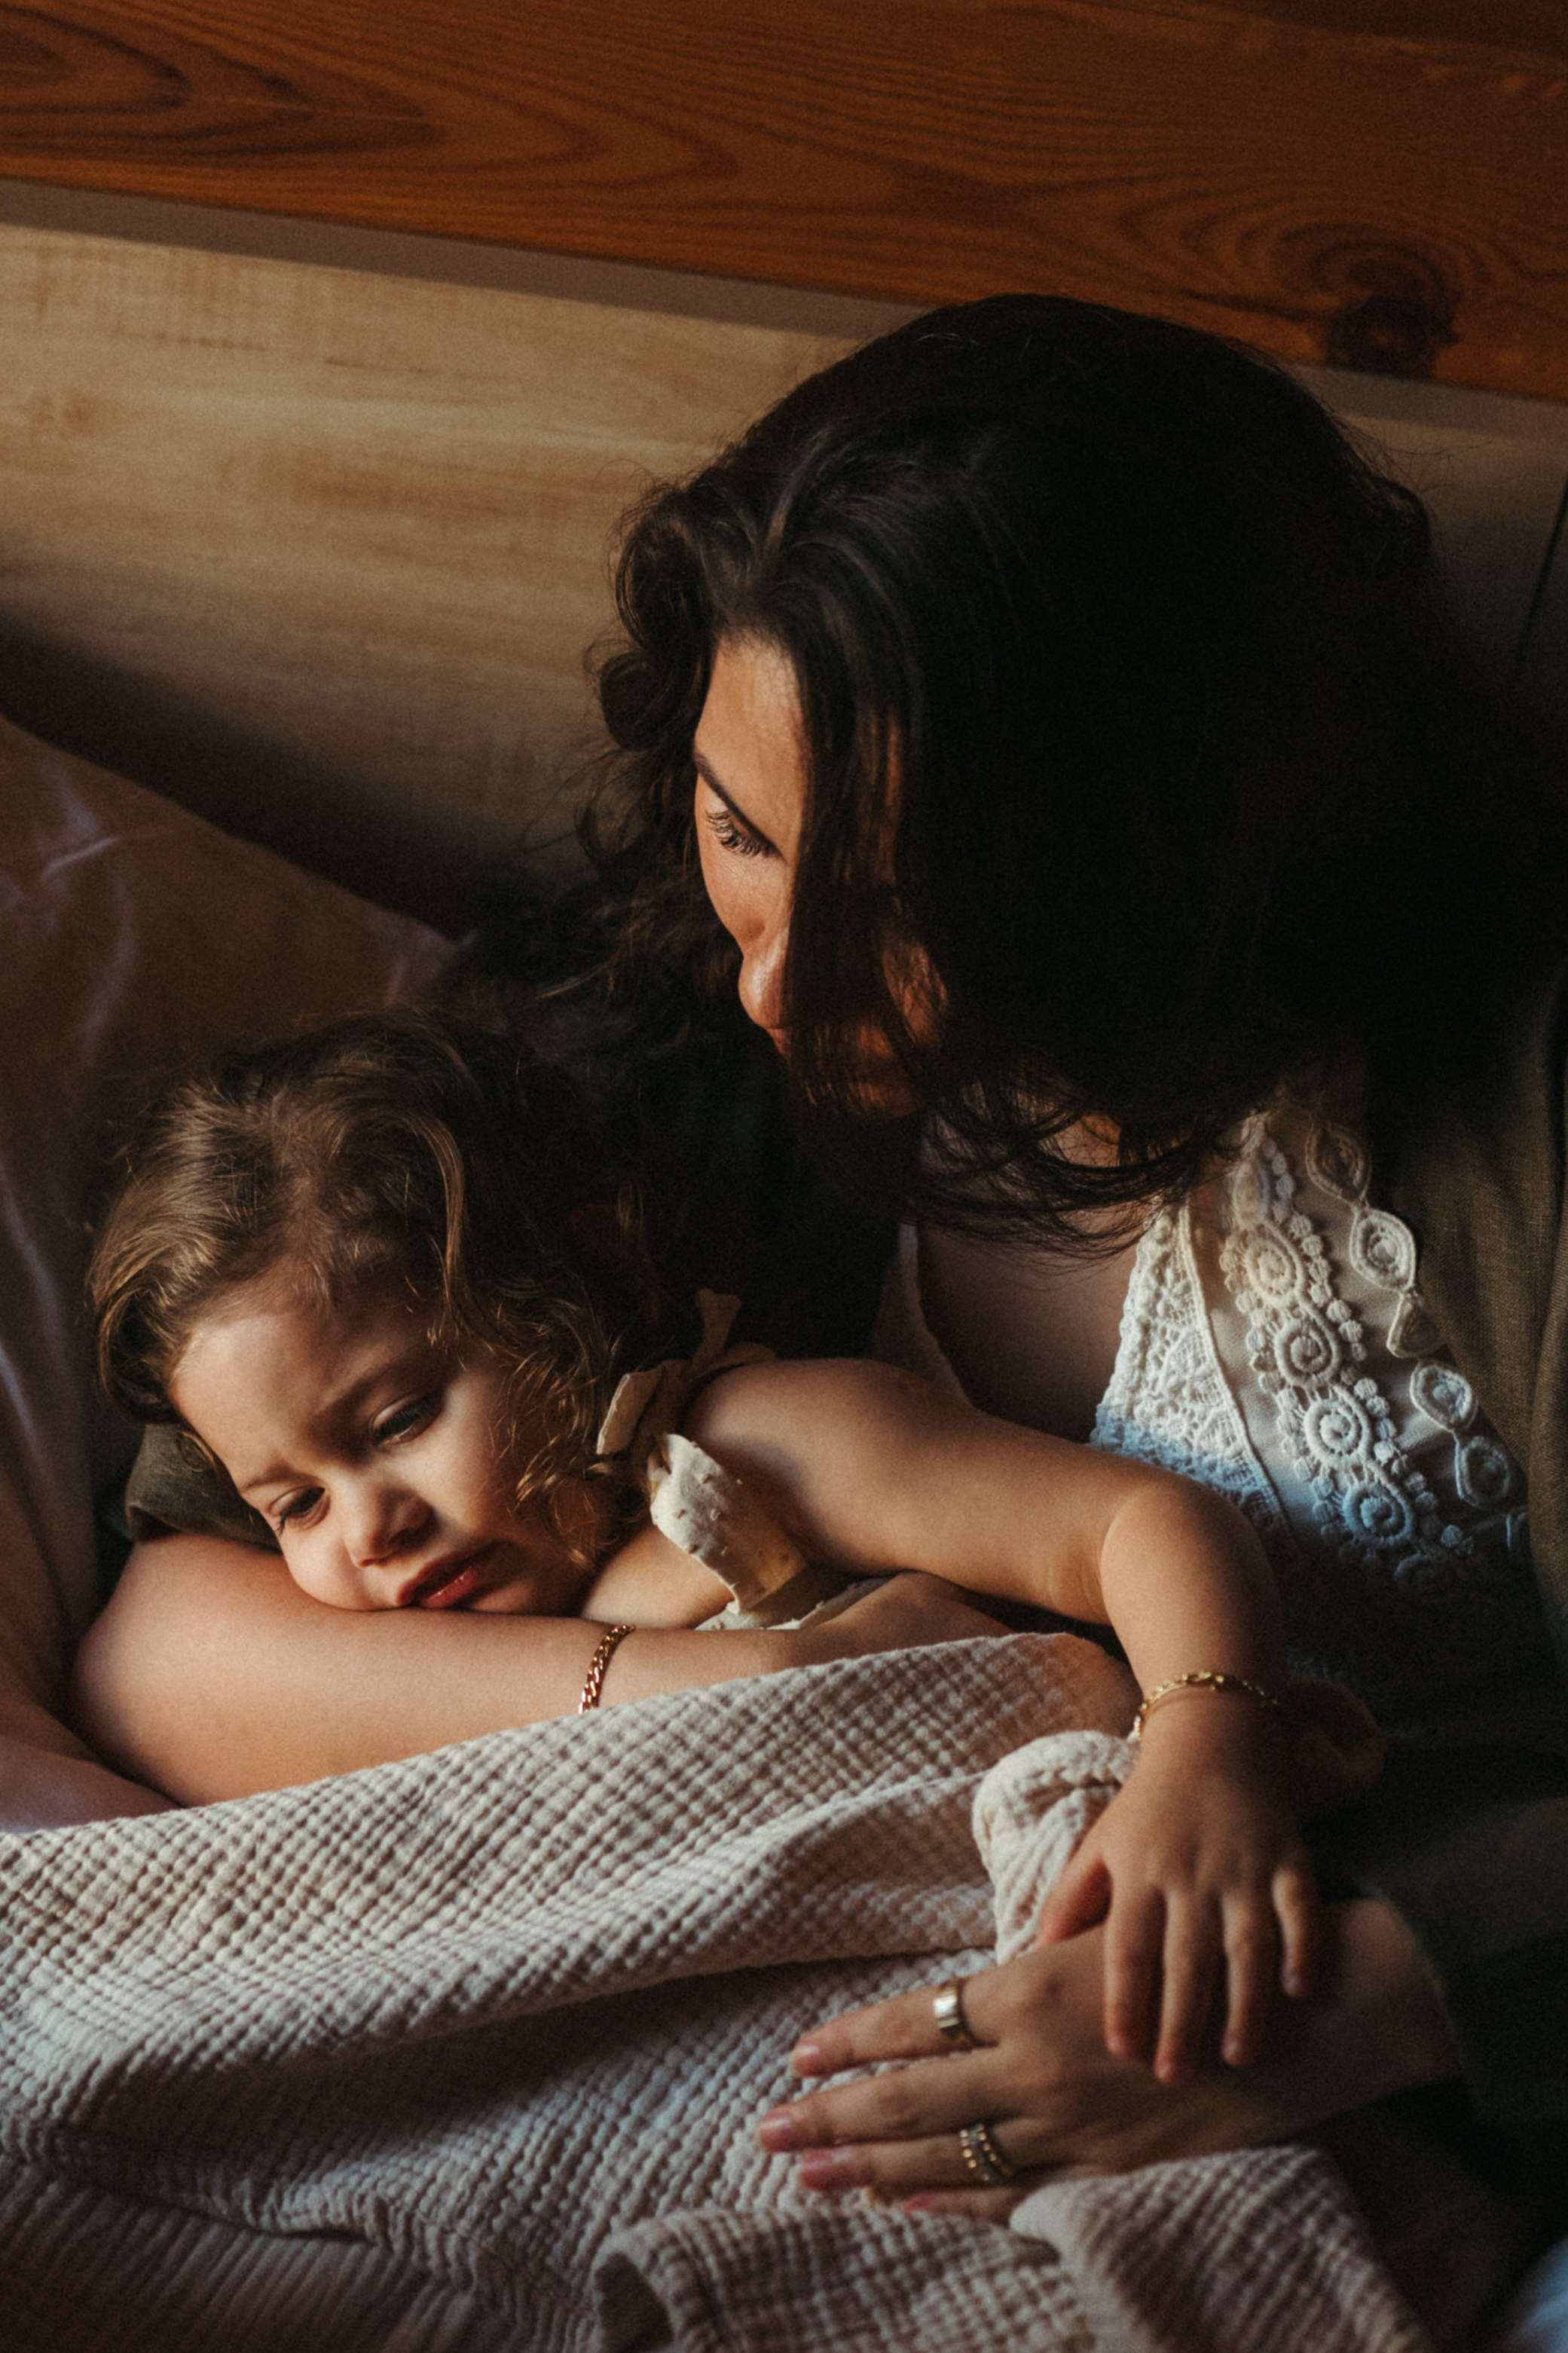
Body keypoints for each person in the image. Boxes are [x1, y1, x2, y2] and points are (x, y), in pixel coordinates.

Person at [75, 295, 1568, 2227]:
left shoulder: (1500, 1111)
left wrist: (1340, 2003)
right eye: (740, 825)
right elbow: (164, 1639)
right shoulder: (645, 1063)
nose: (779, 973)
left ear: (1158, 862)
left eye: (906, 902)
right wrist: (713, 1690)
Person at [86, 1005, 1379, 2085]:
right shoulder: (400, 1645)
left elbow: (1137, 1521)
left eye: (400, 1418)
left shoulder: (745, 1444)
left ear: (579, 1272)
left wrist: (1210, 1752)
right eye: (293, 1505)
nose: (368, 1525)